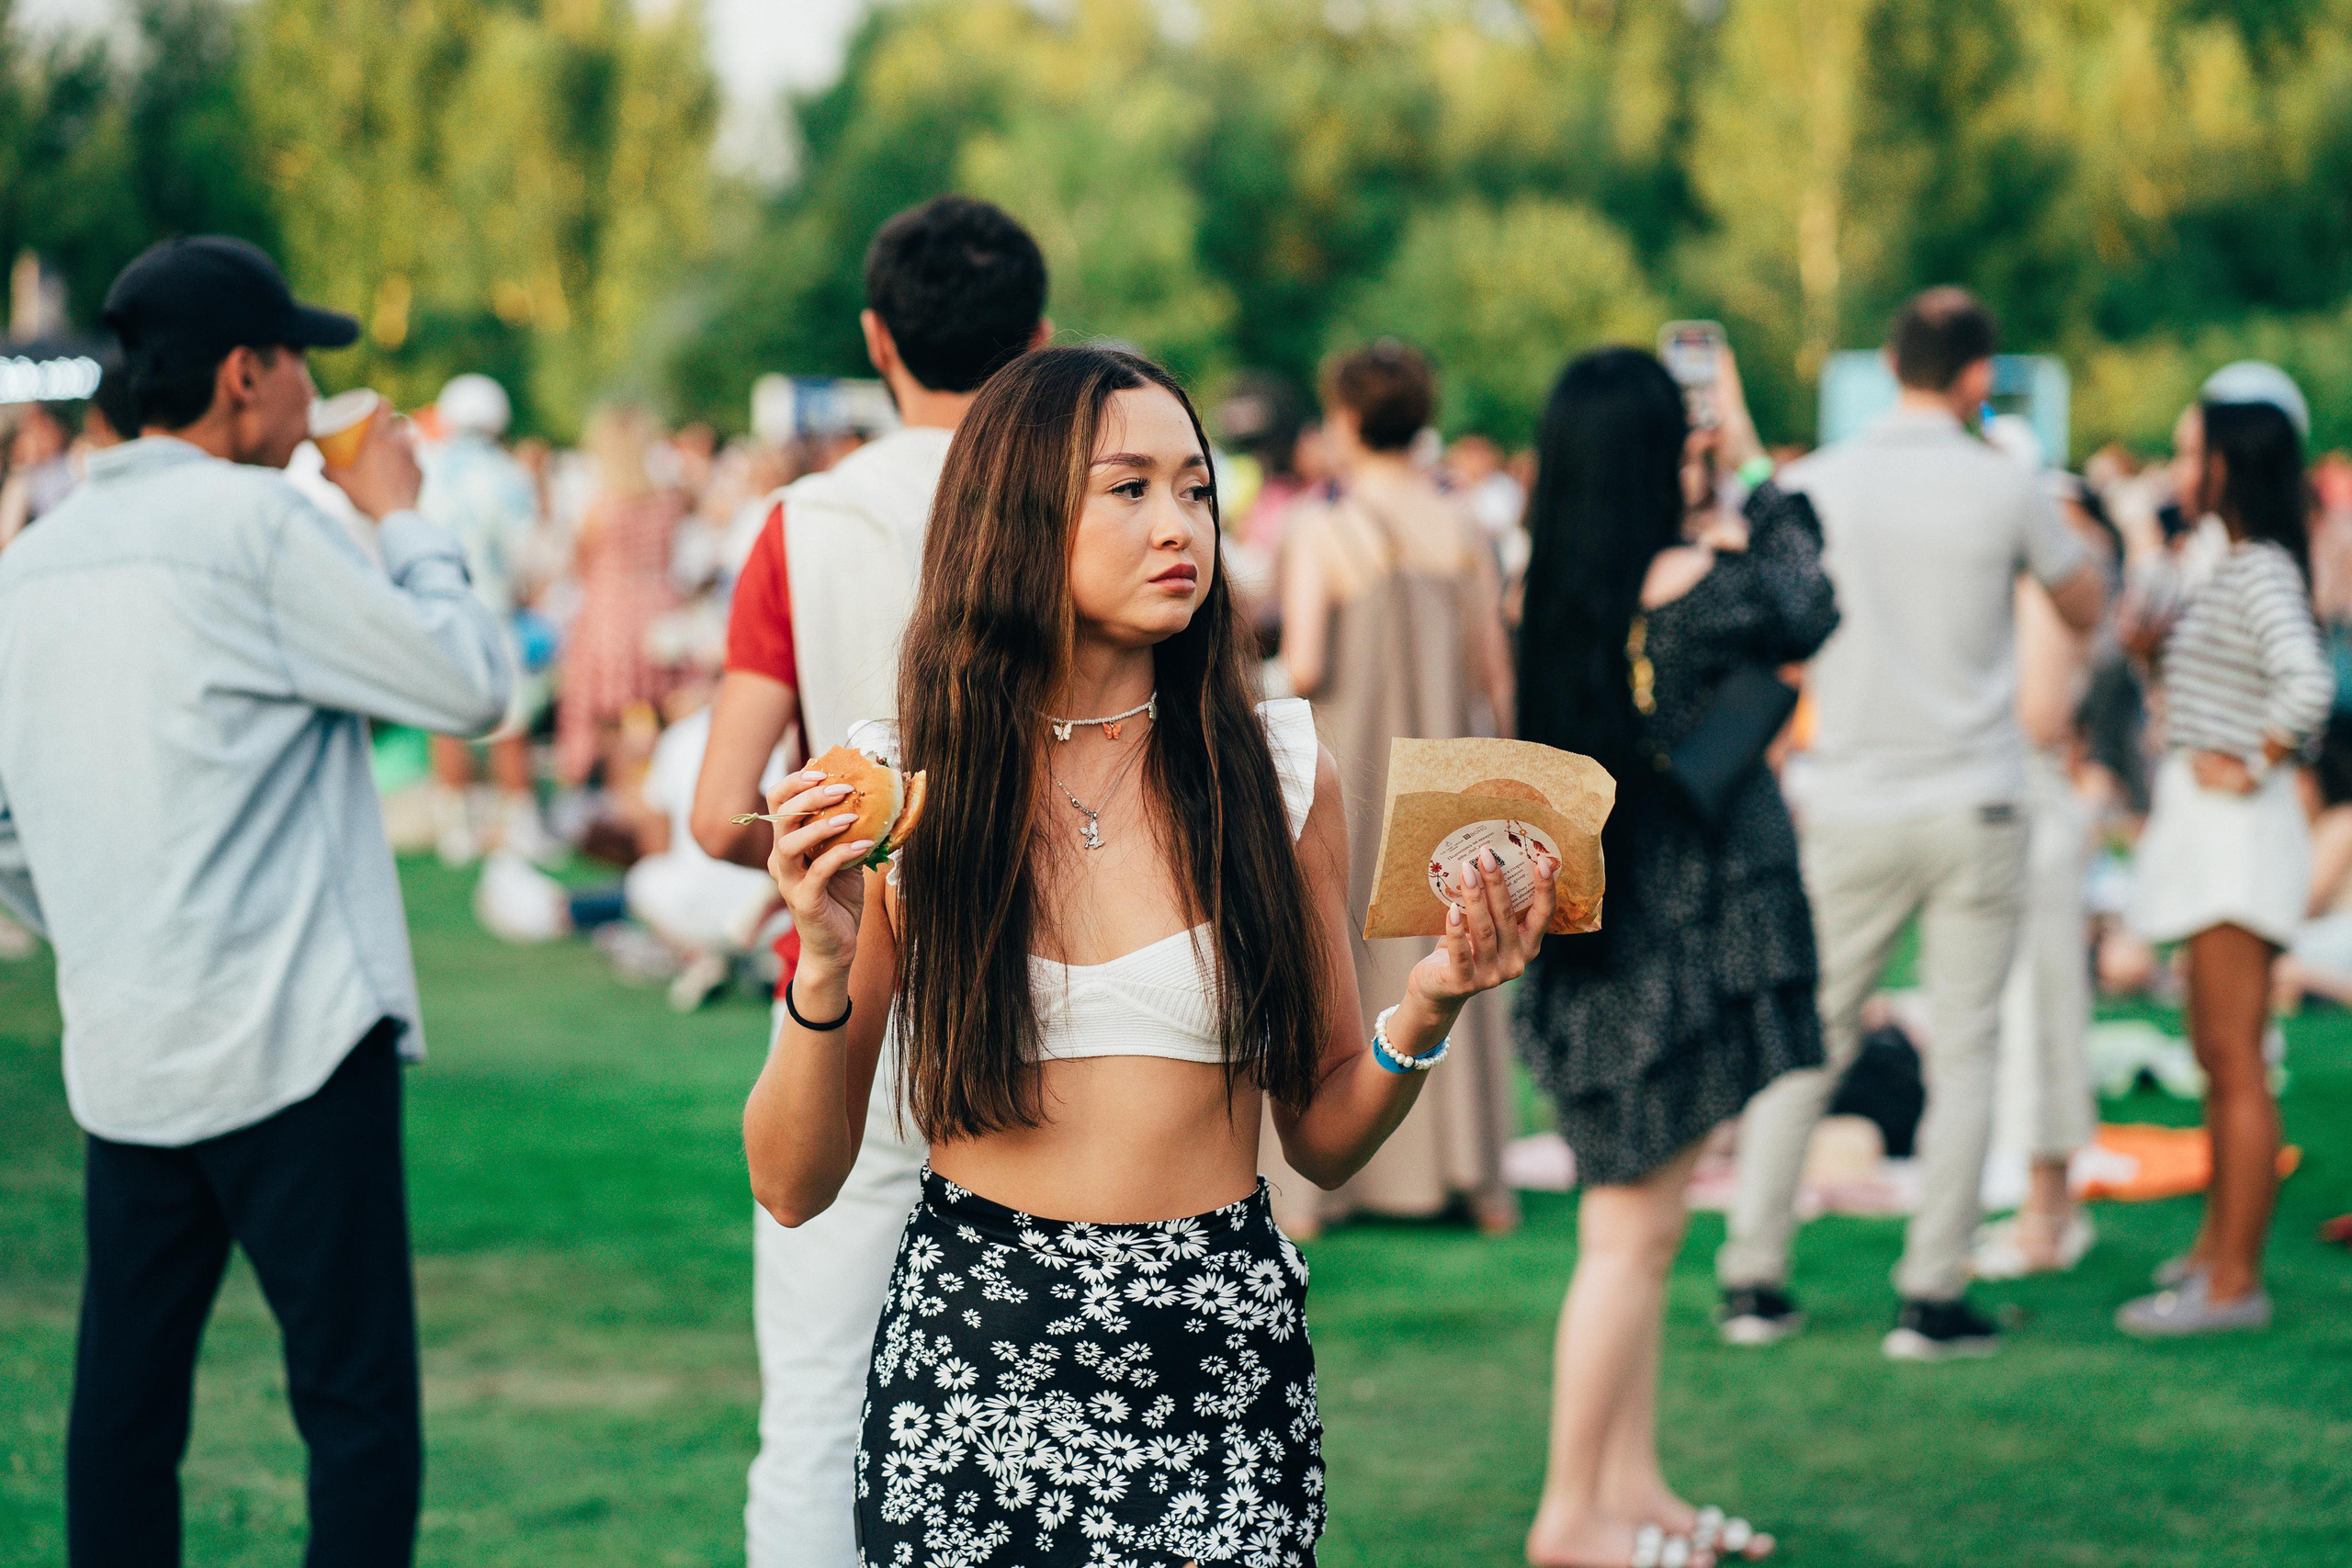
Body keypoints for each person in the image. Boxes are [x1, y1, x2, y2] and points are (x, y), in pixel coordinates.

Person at [745, 343, 1555, 1567]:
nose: (1179, 524)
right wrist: (820, 965)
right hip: (977, 1355)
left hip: (1220, 1358)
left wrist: (1429, 1003)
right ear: (1019, 513)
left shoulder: (1278, 773)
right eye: (1129, 488)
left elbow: (1324, 1135)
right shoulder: (913, 780)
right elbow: (793, 1181)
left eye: (1196, 488)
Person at [0, 235, 511, 1566]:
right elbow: (466, 686)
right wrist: (400, 511)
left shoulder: (34, 560)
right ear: (245, 375)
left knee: (122, 1411)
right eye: (299, 360)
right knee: (351, 1411)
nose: (312, 389)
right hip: (295, 1034)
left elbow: (4, 833)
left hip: (127, 1044)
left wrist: (103, 922)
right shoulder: (260, 521)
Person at [684, 195, 1050, 1568]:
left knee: (823, 1402)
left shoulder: (803, 519)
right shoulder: (1084, 497)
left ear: (875, 339)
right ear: (1039, 339)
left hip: (857, 990)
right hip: (1060, 984)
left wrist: (841, 829)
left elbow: (722, 807)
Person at [1716, 288, 2107, 1359]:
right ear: (1979, 375)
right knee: (1968, 1045)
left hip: (1848, 795)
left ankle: (1753, 1275)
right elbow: (2083, 606)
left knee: (1810, 1036)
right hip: (1975, 793)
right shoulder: (2005, 484)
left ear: (1892, 362)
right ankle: (1931, 1294)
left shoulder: (1821, 481)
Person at [1514, 344, 1833, 1567]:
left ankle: (1629, 1485)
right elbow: (1811, 598)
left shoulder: (1551, 589)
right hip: (1678, 945)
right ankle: (1571, 1514)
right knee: (1629, 1238)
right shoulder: (1706, 580)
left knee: (1640, 1238)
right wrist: (1754, 452)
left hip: (1603, 944)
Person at [1272, 339, 1521, 1236]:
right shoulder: (1464, 523)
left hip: (1355, 767)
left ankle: (1329, 1189)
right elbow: (1495, 668)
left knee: (1340, 953)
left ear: (1342, 418)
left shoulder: (1321, 527)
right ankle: (1475, 1179)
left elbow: (1301, 660)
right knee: (1454, 950)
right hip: (1449, 764)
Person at [2114, 363, 2331, 1335]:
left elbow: (2306, 682)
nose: (2178, 465)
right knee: (2213, 1053)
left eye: (2194, 449)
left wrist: (2254, 761)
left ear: (2231, 463)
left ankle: (2235, 1283)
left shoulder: (2261, 569)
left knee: (2236, 1059)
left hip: (2240, 837)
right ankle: (2213, 1254)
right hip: (2210, 836)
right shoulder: (2225, 559)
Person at [1975, 466, 2114, 1279]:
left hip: (2031, 808)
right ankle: (2045, 1204)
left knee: (2041, 1013)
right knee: (2029, 1012)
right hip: (2022, 804)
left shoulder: (2047, 586)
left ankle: (2047, 1213)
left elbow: (2039, 716)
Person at [418, 372, 559, 865]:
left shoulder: (426, 469)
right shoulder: (508, 476)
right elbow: (526, 557)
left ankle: (458, 828)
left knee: (446, 722)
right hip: (494, 611)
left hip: (435, 609)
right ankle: (519, 822)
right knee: (510, 720)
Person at [554, 400, 684, 787]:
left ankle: (626, 802)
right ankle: (658, 796)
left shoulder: (599, 508)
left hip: (609, 616)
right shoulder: (668, 501)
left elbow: (579, 563)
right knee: (658, 713)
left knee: (610, 717)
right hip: (659, 609)